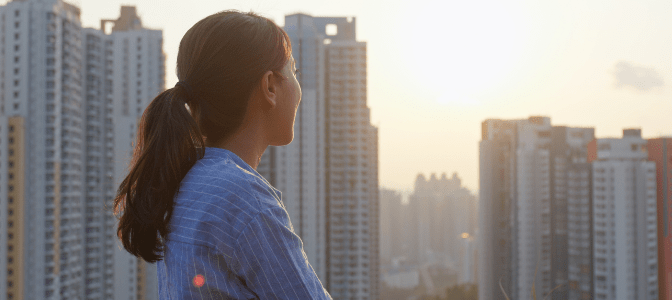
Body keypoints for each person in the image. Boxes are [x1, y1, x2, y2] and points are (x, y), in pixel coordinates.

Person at [113, 10, 332, 299]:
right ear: (269, 86)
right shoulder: (245, 199)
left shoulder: (185, 178)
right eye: (294, 71)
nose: (298, 88)